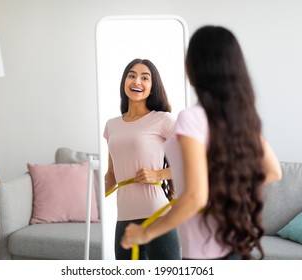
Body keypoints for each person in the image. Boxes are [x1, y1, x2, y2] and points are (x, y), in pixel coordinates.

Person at [120, 26, 282, 260]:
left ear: (193, 67)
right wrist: (225, 189)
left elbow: (196, 197)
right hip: (232, 248)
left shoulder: (192, 118)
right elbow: (273, 171)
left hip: (202, 256)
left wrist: (145, 234)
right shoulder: (239, 115)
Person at [104, 58, 181, 260]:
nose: (136, 81)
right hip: (124, 219)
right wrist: (87, 200)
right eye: (131, 75)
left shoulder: (163, 120)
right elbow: (111, 175)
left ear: (152, 86)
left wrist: (157, 174)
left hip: (156, 215)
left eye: (144, 77)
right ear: (124, 82)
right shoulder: (112, 125)